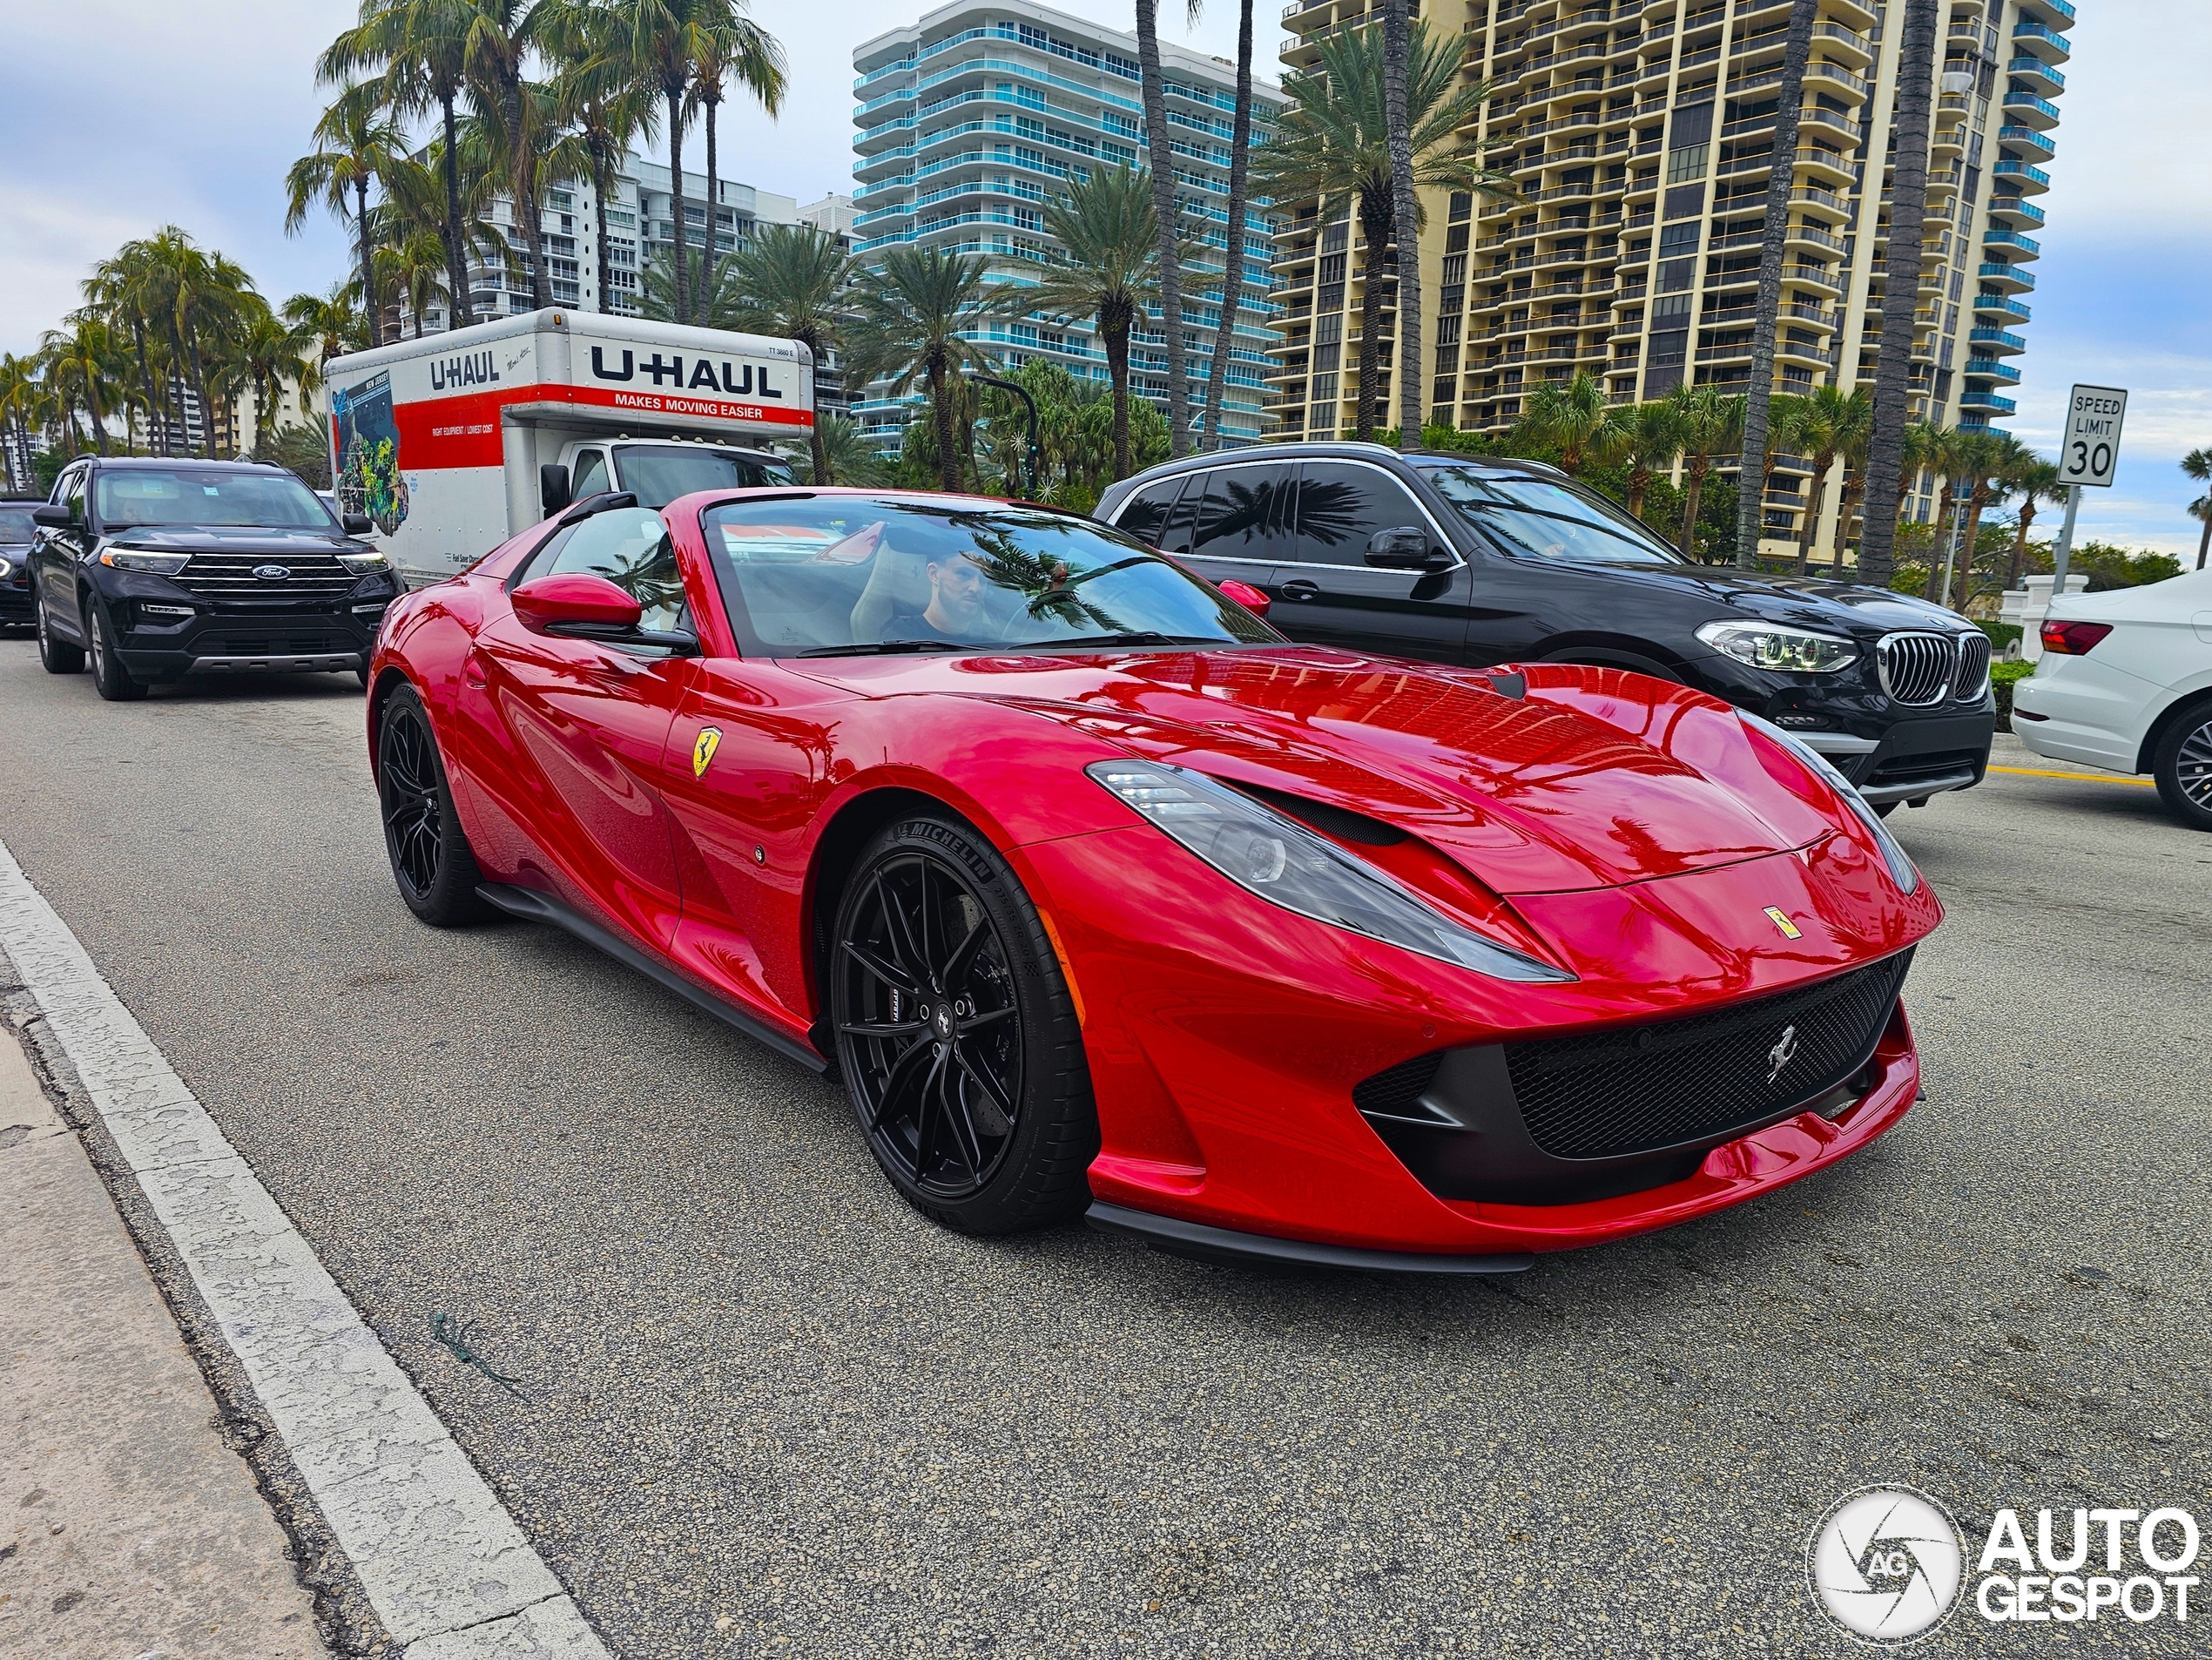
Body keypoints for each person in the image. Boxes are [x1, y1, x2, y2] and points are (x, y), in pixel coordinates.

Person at [885, 550, 992, 643]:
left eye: (983, 579)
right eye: (963, 574)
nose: (976, 588)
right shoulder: (899, 638)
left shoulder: (993, 641)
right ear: (934, 574)